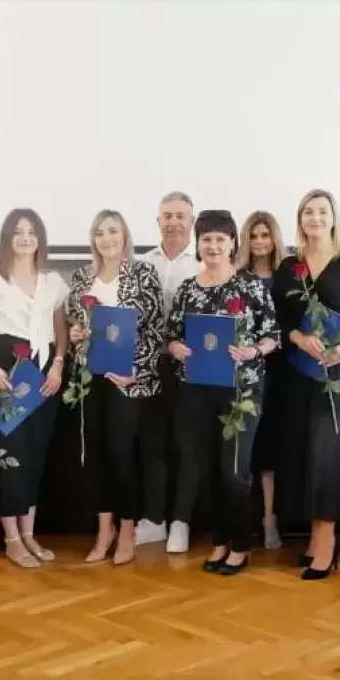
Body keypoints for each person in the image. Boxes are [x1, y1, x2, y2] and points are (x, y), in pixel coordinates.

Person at [271, 189, 340, 580]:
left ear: (334, 218)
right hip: (299, 375)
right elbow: (278, 320)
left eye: (322, 211)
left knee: (327, 456)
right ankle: (315, 537)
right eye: (308, 212)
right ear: (300, 219)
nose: (315, 218)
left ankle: (327, 540)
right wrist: (298, 338)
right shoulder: (290, 266)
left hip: (339, 376)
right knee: (303, 454)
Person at [166, 210, 280, 572]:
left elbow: (273, 335)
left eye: (220, 239)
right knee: (206, 470)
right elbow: (171, 335)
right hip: (196, 391)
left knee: (234, 471)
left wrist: (253, 350)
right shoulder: (188, 288)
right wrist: (175, 348)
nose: (213, 246)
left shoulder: (250, 285)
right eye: (206, 239)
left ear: (232, 243)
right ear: (198, 244)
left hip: (241, 391)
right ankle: (219, 541)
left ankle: (241, 545)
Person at [0, 208, 69, 569]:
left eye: (32, 232)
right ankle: (11, 539)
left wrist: (58, 364)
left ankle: (29, 533)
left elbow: (60, 329)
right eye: (18, 232)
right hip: (7, 369)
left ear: (40, 239)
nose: (25, 238)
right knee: (10, 454)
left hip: (44, 371)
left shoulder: (53, 281)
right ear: (8, 238)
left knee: (36, 453)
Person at [67, 210, 166, 566]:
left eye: (113, 231)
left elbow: (157, 330)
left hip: (128, 380)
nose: (106, 238)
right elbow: (77, 326)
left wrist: (135, 371)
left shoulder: (143, 273)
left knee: (122, 454)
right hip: (91, 378)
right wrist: (77, 334)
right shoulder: (82, 278)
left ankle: (127, 530)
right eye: (100, 233)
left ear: (124, 235)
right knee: (95, 454)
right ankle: (103, 530)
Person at [140, 191, 201, 552]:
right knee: (153, 446)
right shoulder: (142, 264)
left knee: (186, 448)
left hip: (192, 368)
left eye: (181, 216)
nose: (174, 222)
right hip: (150, 366)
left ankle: (181, 521)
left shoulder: (203, 263)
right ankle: (154, 520)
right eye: (167, 216)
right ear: (158, 221)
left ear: (191, 222)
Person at [235, 211, 286, 549]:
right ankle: (244, 521)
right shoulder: (237, 278)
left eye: (265, 235)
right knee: (245, 450)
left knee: (271, 448)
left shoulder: (288, 276)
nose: (259, 242)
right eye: (253, 236)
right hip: (245, 372)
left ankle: (271, 519)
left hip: (282, 370)